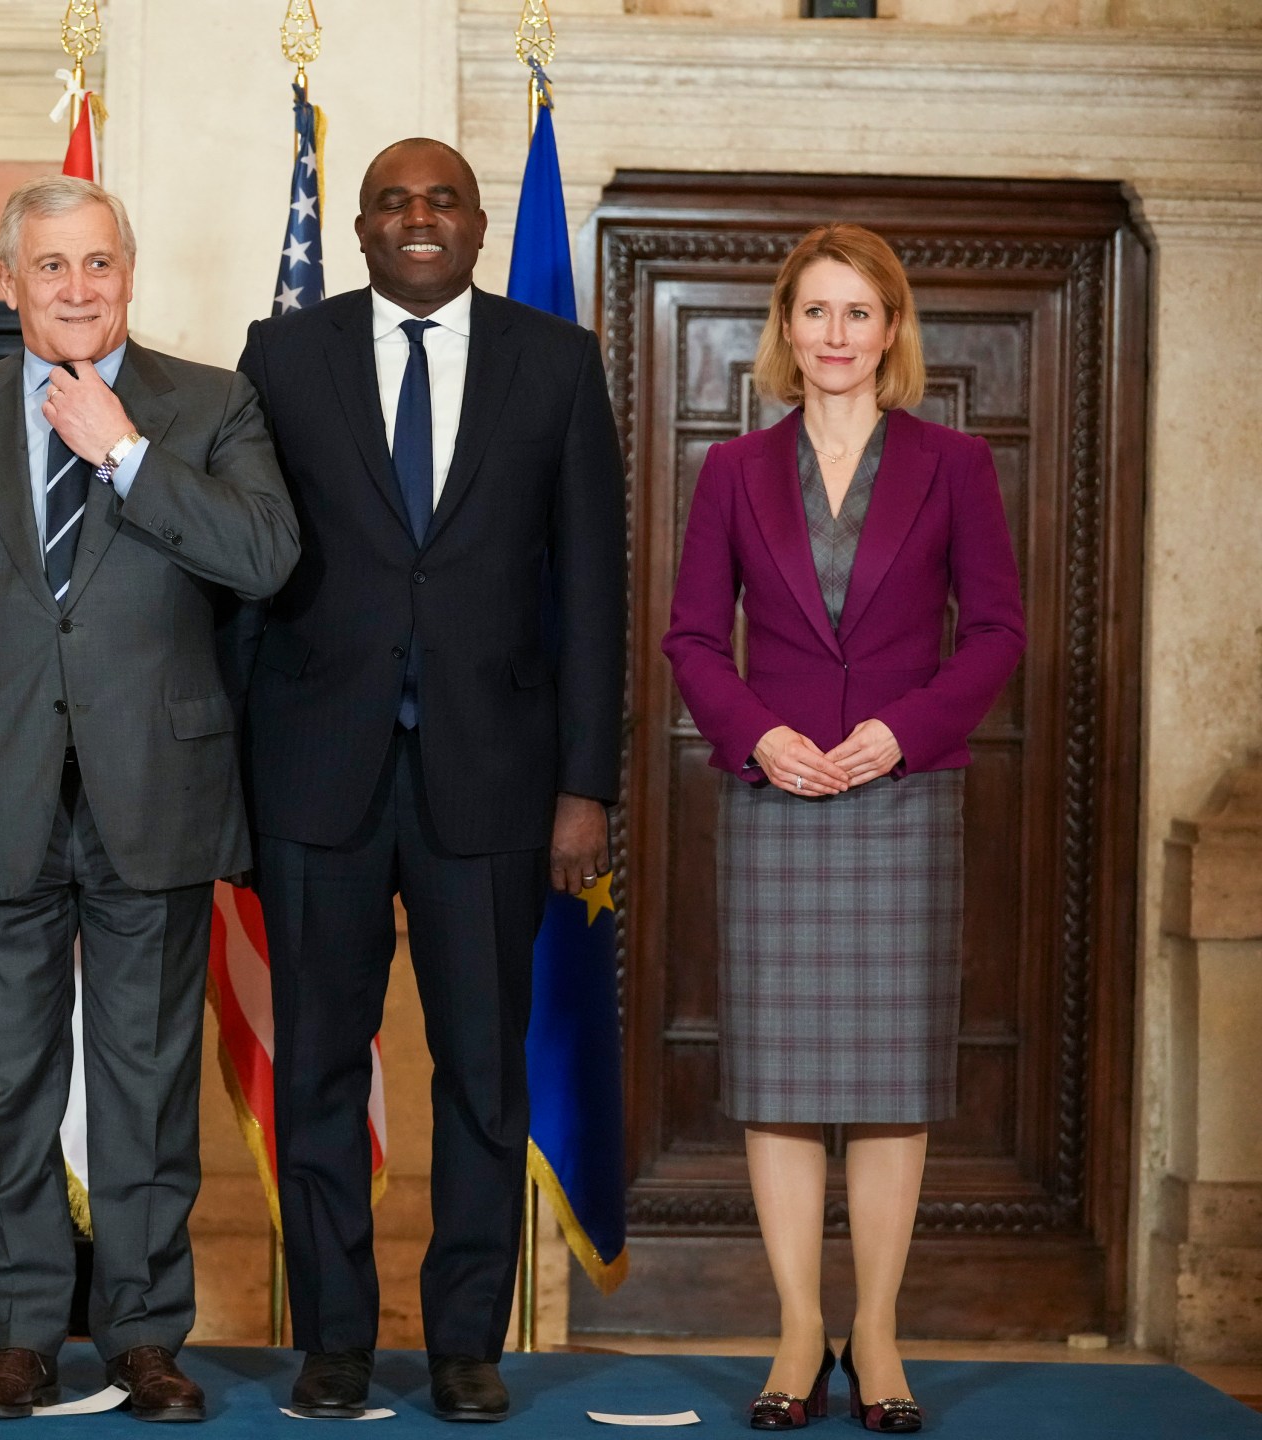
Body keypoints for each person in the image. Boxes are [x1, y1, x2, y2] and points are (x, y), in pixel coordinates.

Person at [0, 175, 297, 1424]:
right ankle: (15, 1336)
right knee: (1, 1083)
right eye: (50, 267)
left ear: (128, 274)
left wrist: (121, 452)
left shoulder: (208, 403)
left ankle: (144, 1337)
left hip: (153, 794)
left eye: (97, 264)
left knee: (146, 1081)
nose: (76, 288)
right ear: (8, 281)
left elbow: (264, 559)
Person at [233, 137, 626, 1421]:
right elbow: (242, 582)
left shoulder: (555, 363)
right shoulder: (284, 356)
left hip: (497, 789)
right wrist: (233, 784)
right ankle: (334, 1343)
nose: (417, 218)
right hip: (312, 784)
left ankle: (466, 1345)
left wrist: (585, 789)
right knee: (320, 1078)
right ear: (355, 229)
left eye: (440, 200)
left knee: (481, 1077)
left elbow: (590, 592)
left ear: (474, 224)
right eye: (392, 202)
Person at [662, 224, 1022, 1434]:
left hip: (900, 797)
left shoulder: (954, 463)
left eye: (857, 313)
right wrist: (755, 733)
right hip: (774, 795)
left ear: (891, 330)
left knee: (885, 1084)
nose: (834, 335)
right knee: (777, 1081)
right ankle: (796, 1329)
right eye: (814, 312)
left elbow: (997, 636)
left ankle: (873, 1333)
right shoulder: (730, 470)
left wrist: (906, 731)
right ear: (785, 327)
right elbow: (693, 641)